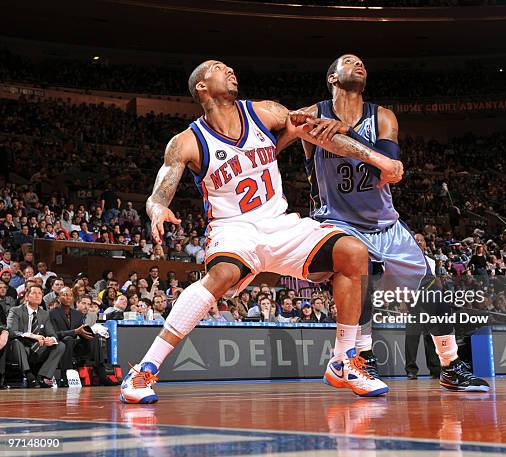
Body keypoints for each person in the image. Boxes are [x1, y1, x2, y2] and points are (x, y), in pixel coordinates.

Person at [120, 59, 402, 403]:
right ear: (201, 87)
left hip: (279, 222)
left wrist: (378, 159)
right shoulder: (186, 142)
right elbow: (158, 194)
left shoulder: (266, 111)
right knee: (221, 274)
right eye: (218, 68)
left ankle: (343, 360)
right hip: (233, 228)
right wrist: (157, 209)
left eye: (229, 67)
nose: (229, 70)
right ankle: (144, 370)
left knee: (354, 252)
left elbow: (325, 139)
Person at [290, 54, 488, 391]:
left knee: (430, 287)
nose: (360, 64)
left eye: (362, 62)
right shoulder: (311, 114)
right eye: (349, 61)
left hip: (385, 222)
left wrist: (347, 131)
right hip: (336, 220)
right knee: (361, 269)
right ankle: (362, 359)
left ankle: (450, 364)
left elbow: (389, 167)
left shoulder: (382, 116)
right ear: (332, 77)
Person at [50, 287, 115, 387]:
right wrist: (75, 331)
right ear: (59, 298)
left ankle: (101, 374)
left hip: (76, 345)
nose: (67, 297)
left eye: (70, 295)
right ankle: (64, 376)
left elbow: (80, 332)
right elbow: (54, 334)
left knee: (95, 338)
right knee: (68, 340)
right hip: (61, 344)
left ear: (73, 299)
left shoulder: (77, 314)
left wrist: (85, 333)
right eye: (64, 294)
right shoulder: (52, 313)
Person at [6, 284, 65, 388]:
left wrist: (51, 339)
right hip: (20, 346)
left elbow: (52, 334)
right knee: (16, 342)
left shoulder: (44, 314)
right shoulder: (16, 310)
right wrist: (32, 335)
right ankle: (29, 375)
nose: (38, 295)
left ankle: (42, 377)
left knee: (60, 345)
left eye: (40, 293)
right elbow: (11, 331)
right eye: (34, 293)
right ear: (27, 297)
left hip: (38, 347)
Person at [405, 234, 440, 379]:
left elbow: (437, 283)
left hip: (430, 302)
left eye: (421, 240)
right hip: (413, 301)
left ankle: (435, 369)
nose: (419, 242)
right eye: (416, 240)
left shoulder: (432, 261)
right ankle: (411, 370)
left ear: (426, 244)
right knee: (412, 337)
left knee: (431, 337)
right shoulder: (405, 260)